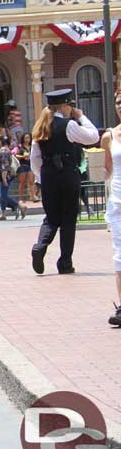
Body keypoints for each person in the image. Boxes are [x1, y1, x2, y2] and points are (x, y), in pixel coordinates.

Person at [30, 89, 100, 275]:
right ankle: (65, 263)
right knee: (69, 218)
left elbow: (34, 159)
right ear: (64, 105)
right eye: (71, 105)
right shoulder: (68, 125)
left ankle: (40, 246)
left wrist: (41, 177)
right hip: (67, 174)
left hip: (48, 176)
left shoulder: (40, 127)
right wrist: (82, 117)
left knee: (51, 217)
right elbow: (93, 137)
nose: (72, 109)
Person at [100, 89, 121, 326]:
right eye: (118, 102)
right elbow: (106, 169)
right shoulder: (109, 137)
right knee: (120, 255)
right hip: (118, 201)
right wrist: (93, 168)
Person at [0, 136, 25, 221]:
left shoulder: (3, 150)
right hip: (1, 176)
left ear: (2, 141)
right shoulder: (0, 150)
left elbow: (5, 165)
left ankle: (19, 205)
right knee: (1, 195)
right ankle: (3, 213)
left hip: (6, 176)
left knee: (3, 195)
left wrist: (4, 179)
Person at [16, 133, 35, 203]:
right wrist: (23, 157)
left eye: (28, 138)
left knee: (31, 181)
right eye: (26, 138)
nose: (27, 140)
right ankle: (21, 198)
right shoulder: (20, 147)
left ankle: (33, 196)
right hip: (23, 166)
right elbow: (16, 156)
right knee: (22, 182)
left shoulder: (32, 147)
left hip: (30, 165)